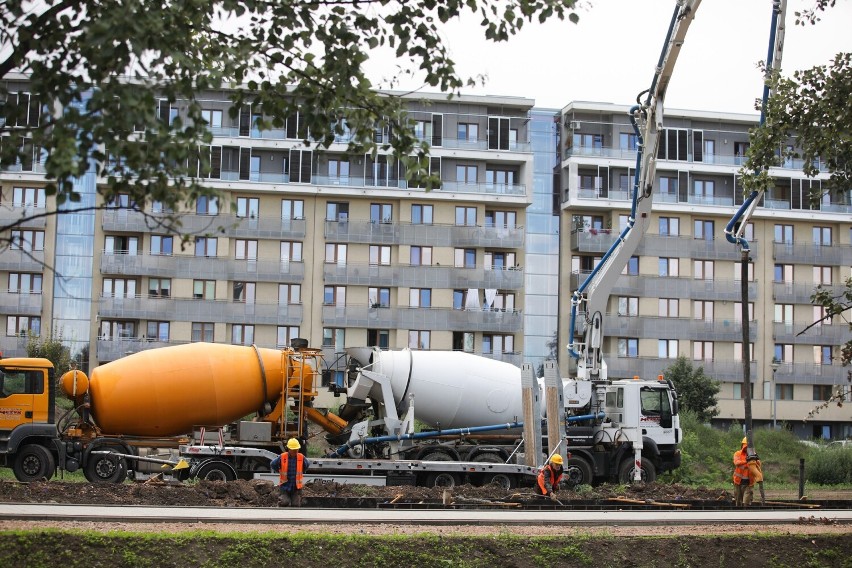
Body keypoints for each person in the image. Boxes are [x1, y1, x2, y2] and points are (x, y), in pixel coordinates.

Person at [270, 438, 311, 507]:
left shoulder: (301, 457)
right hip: (285, 486)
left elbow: (306, 465)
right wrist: (279, 471)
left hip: (296, 487)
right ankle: (281, 512)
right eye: (294, 450)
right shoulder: (283, 457)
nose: (295, 451)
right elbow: (273, 464)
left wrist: (302, 471)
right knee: (284, 502)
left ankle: (294, 517)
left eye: (296, 449)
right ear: (289, 449)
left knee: (295, 504)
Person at [732, 437, 753, 507]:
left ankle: (746, 512)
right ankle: (738, 514)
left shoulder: (753, 455)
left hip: (749, 482)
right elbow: (736, 462)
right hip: (738, 481)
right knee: (738, 501)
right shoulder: (738, 454)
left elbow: (757, 464)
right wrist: (747, 461)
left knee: (746, 502)